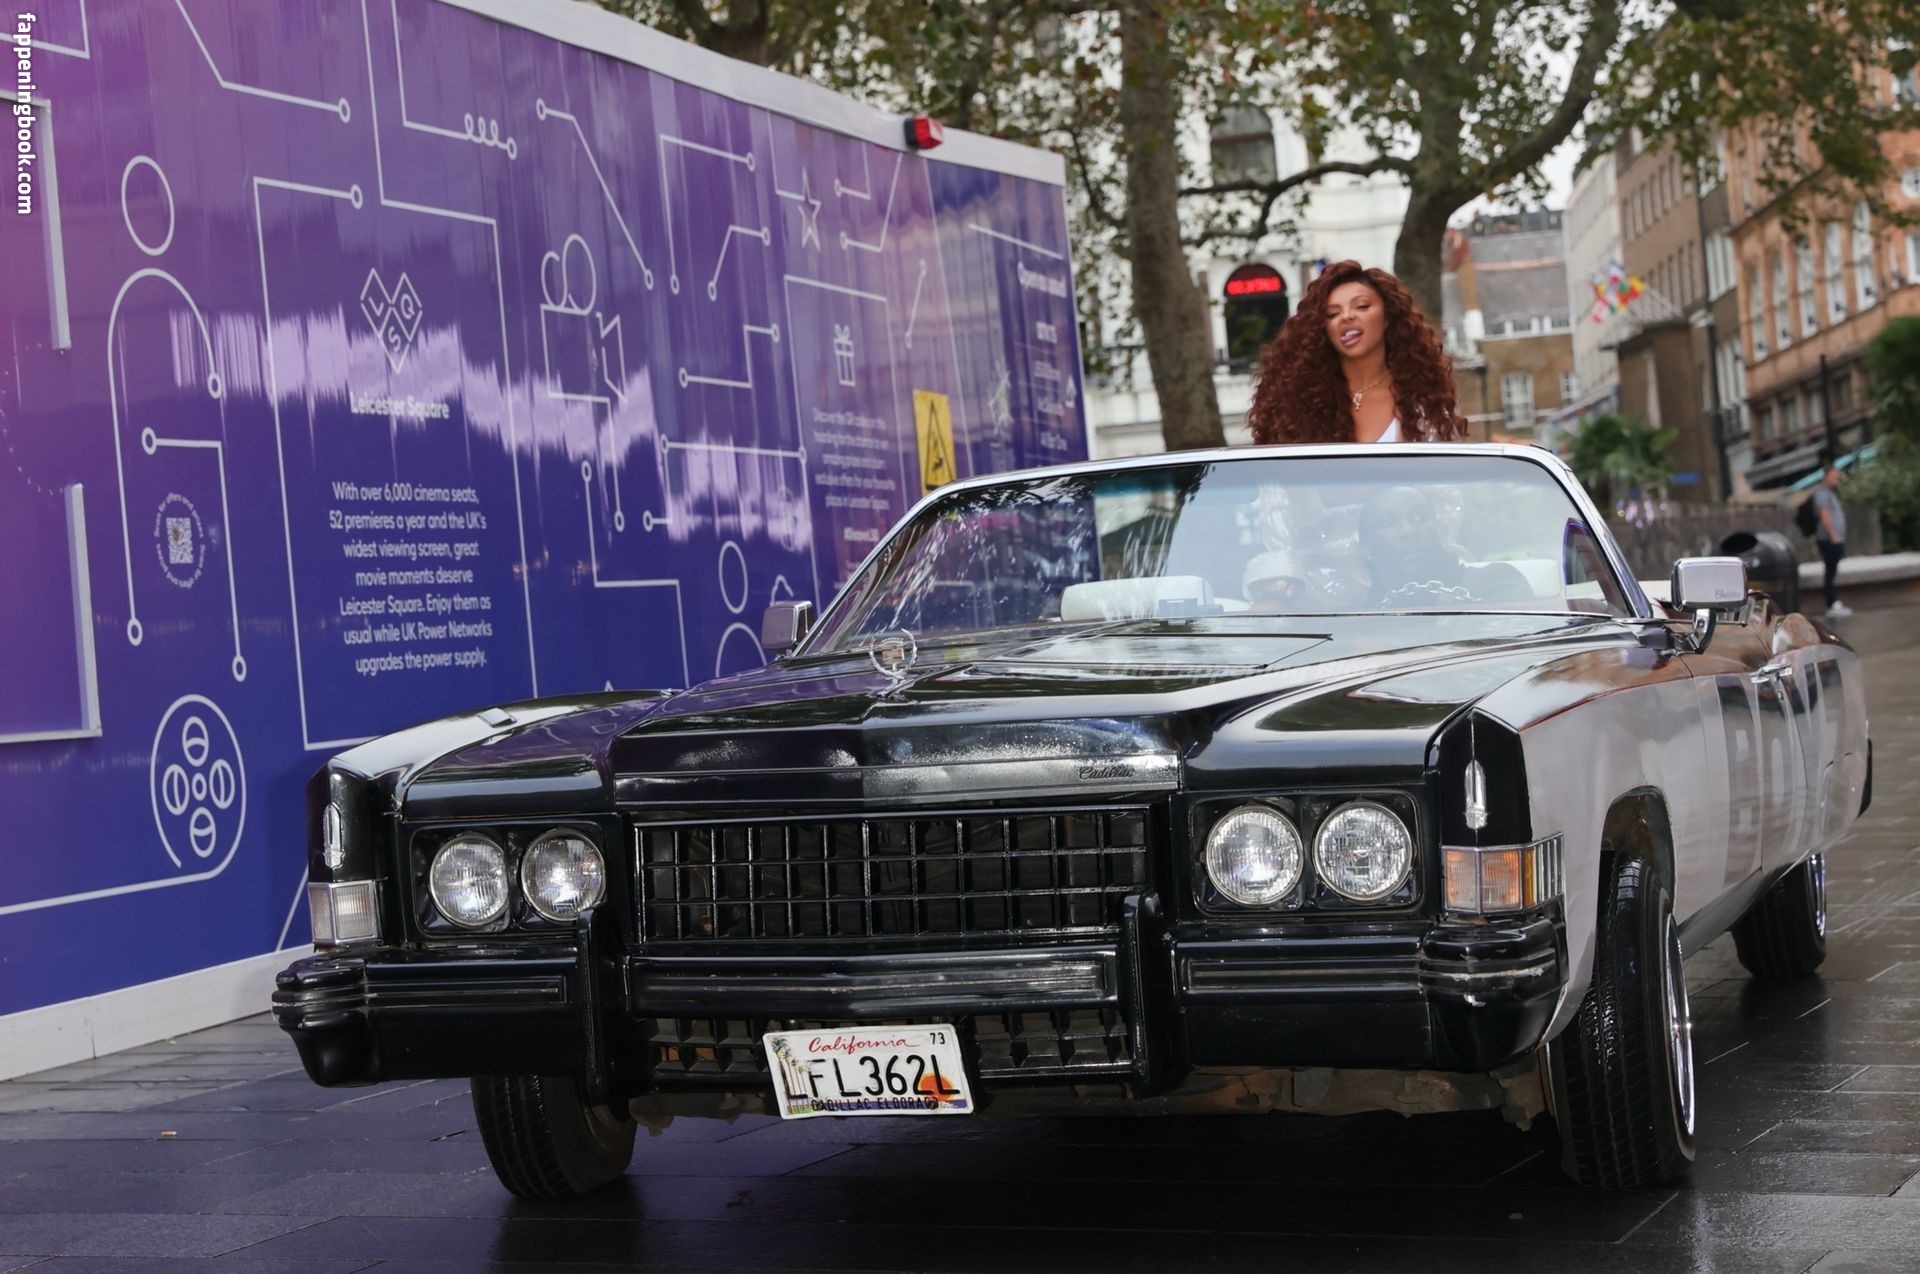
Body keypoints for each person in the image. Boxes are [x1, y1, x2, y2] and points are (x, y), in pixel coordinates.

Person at [1246, 261, 1467, 445]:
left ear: (1388, 318)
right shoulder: (1297, 404)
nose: (1346, 317)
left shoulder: (1424, 399)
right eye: (1333, 314)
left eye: (1361, 306)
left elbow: (1446, 477)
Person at [1813, 460, 1851, 618]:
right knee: (1830, 571)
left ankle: (1833, 601)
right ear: (1826, 476)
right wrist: (1833, 534)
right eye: (1834, 476)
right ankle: (1831, 602)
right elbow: (1825, 514)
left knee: (1832, 570)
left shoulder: (1830, 493)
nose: (1837, 479)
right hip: (1828, 539)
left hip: (1833, 538)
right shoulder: (1822, 493)